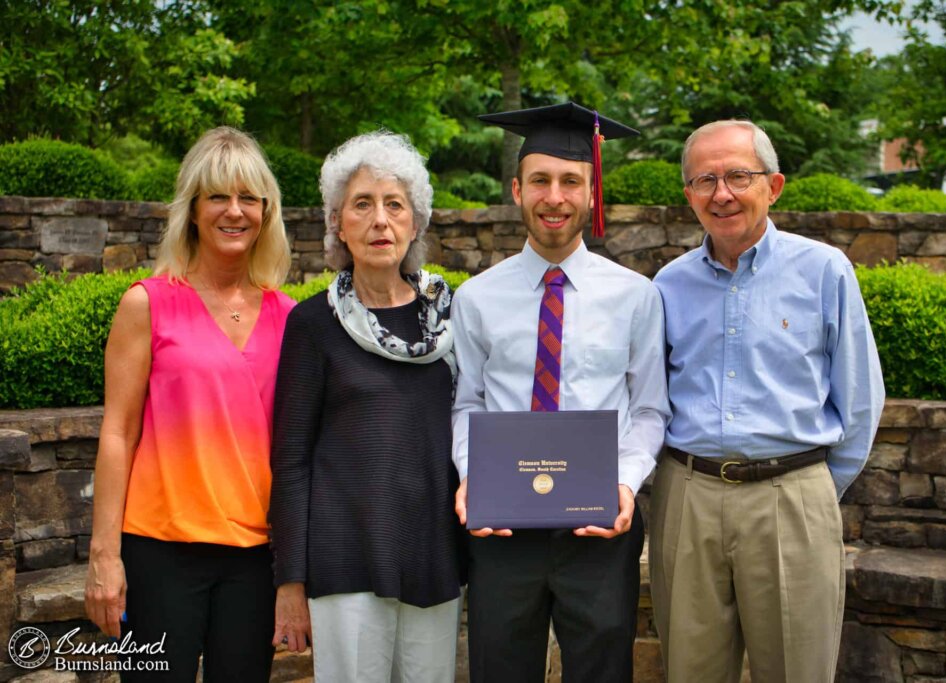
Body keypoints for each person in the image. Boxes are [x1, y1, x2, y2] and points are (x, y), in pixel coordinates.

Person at [649, 120, 886, 683]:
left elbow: (860, 398)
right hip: (688, 496)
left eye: (738, 175)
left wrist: (816, 491)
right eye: (704, 180)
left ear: (773, 185)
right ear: (688, 196)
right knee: (690, 671)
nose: (721, 193)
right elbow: (650, 399)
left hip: (792, 498)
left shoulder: (824, 271)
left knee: (797, 672)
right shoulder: (667, 285)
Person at [452, 102, 670, 683]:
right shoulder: (476, 298)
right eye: (542, 181)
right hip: (502, 530)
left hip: (598, 528)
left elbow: (650, 408)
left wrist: (625, 484)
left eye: (571, 181)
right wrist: (473, 474)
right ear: (517, 189)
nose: (556, 196)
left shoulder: (636, 297)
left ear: (592, 194)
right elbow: (466, 403)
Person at [84, 126, 294, 681]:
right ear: (193, 208)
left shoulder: (291, 318)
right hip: (159, 552)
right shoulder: (146, 304)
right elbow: (117, 433)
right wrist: (105, 555)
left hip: (257, 558)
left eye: (249, 197)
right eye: (218, 196)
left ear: (266, 211)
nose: (234, 211)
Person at [268, 130, 465, 683]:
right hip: (344, 560)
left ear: (415, 222)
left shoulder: (452, 317)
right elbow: (291, 462)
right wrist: (290, 581)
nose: (380, 220)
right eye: (362, 204)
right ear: (338, 223)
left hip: (432, 555)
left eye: (394, 205)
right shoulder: (312, 325)